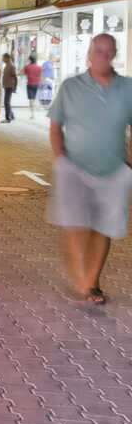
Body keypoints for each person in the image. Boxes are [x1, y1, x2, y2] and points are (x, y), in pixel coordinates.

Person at [47, 33, 132, 305]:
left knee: (104, 227)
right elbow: (55, 126)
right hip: (74, 167)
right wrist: (60, 158)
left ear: (114, 54)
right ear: (89, 53)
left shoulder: (127, 88)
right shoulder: (71, 87)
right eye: (99, 51)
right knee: (76, 226)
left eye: (108, 52)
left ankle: (91, 282)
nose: (103, 56)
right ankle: (81, 278)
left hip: (114, 168)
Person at [24, 55, 43, 120]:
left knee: (31, 99)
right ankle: (34, 112)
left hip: (30, 84)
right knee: (34, 98)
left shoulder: (27, 67)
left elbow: (24, 73)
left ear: (30, 60)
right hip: (37, 84)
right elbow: (41, 76)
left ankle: (32, 114)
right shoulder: (39, 67)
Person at [1, 53, 18, 123]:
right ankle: (11, 115)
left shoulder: (11, 66)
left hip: (9, 86)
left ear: (7, 58)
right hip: (6, 86)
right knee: (7, 102)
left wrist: (15, 86)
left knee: (6, 102)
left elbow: (15, 77)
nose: (2, 59)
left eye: (3, 58)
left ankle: (8, 118)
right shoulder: (7, 65)